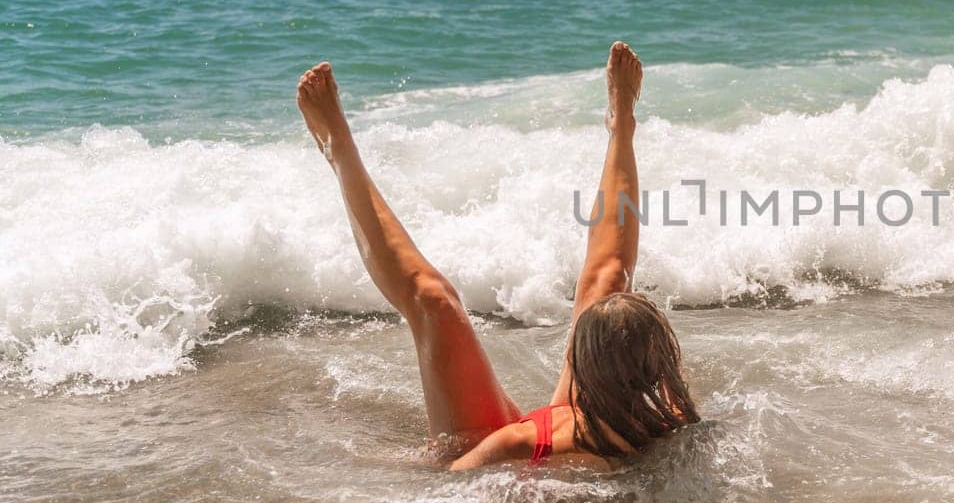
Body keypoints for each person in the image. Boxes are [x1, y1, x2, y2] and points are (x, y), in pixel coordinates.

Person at [296, 41, 698, 471]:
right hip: (566, 429)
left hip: (515, 445)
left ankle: (339, 147)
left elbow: (452, 475)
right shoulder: (669, 417)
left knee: (434, 300)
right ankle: (622, 127)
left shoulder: (526, 442)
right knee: (603, 282)